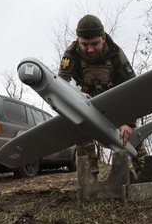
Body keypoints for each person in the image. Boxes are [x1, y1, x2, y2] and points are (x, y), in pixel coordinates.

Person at [59, 14, 146, 178]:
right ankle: (89, 180)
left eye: (94, 44)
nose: (90, 49)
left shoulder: (115, 54)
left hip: (115, 105)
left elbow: (132, 88)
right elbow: (62, 82)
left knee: (132, 137)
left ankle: (145, 172)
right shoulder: (71, 54)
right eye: (84, 44)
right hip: (85, 105)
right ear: (78, 40)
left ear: (103, 38)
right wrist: (75, 94)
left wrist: (128, 122)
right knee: (82, 137)